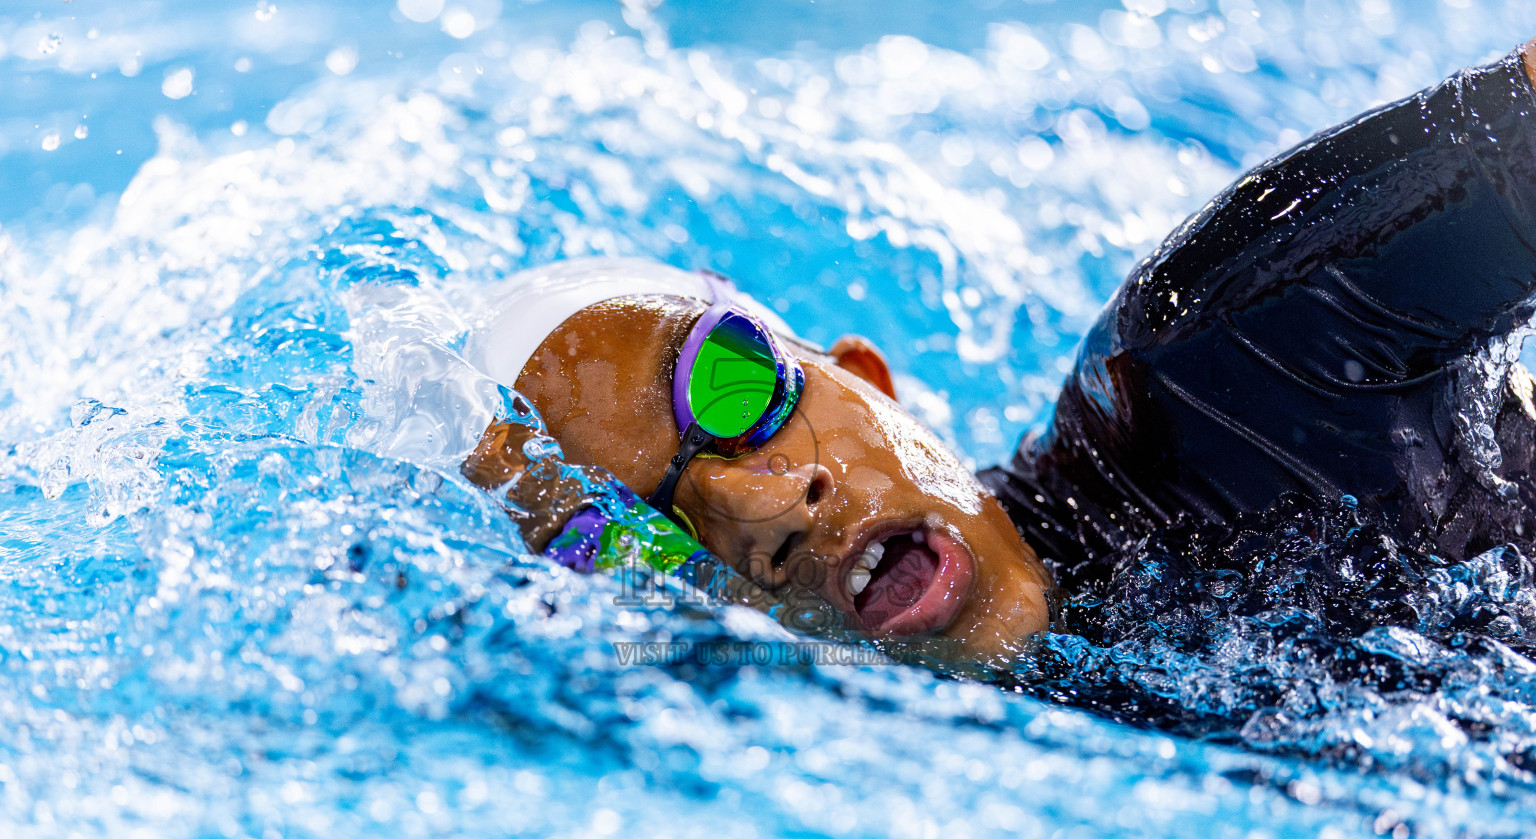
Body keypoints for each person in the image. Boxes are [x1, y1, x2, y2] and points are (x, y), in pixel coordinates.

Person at [460, 40, 1536, 665]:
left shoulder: (1224, 363)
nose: (756, 503)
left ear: (869, 380)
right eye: (645, 530)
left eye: (730, 384)